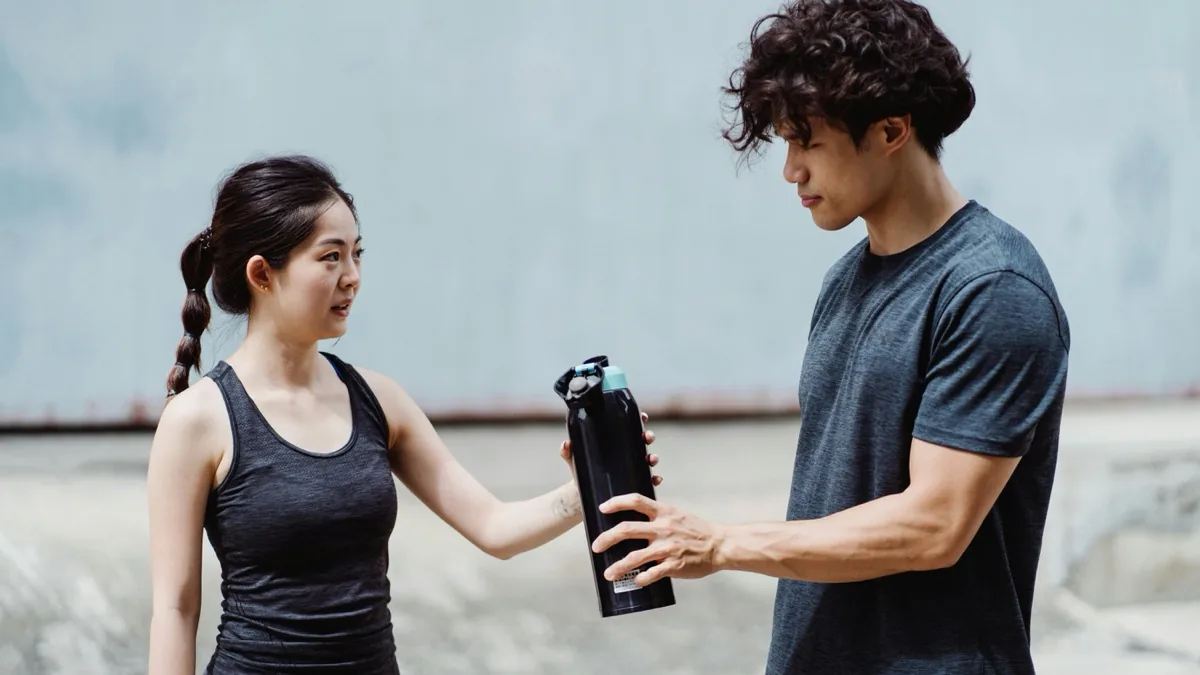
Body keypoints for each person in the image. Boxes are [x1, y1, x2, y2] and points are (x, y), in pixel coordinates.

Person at [591, 1, 1071, 673]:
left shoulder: (993, 289)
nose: (791, 170)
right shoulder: (846, 278)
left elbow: (934, 525)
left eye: (807, 142)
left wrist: (722, 543)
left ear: (892, 129)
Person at [145, 154, 661, 675]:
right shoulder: (198, 419)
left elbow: (494, 528)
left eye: (357, 254)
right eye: (330, 257)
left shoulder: (378, 399)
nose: (352, 277)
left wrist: (588, 485)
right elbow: (175, 609)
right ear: (262, 273)